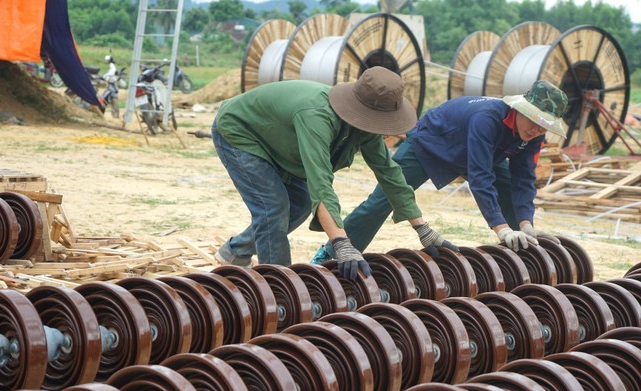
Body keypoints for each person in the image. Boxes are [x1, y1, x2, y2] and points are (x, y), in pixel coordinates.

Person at [211, 66, 457, 280]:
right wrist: (341, 243)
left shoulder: (363, 127)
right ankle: (278, 284)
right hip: (241, 133)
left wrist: (422, 228)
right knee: (273, 208)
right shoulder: (317, 116)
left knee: (301, 205)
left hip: (279, 143)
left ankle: (236, 252)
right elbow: (320, 181)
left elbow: (390, 174)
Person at [311, 79, 568, 264]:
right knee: (384, 200)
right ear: (520, 109)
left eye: (544, 126)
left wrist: (526, 223)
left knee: (510, 189)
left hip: (480, 152)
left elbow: (524, 179)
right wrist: (499, 227)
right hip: (431, 144)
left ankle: (522, 255)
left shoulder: (533, 135)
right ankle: (332, 254)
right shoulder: (487, 118)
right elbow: (479, 176)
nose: (536, 129)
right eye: (534, 120)